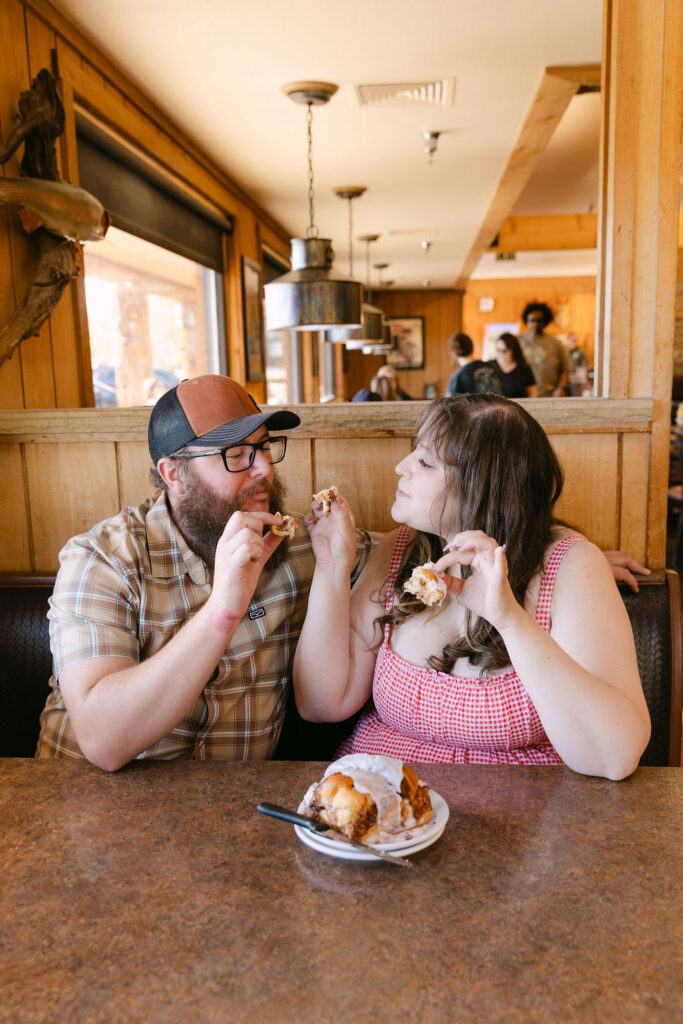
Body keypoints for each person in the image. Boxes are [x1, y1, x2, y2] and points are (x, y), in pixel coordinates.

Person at [293, 394, 651, 779]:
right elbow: (321, 704)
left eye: (426, 461)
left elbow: (614, 757)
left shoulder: (570, 566)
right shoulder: (400, 549)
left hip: (514, 820)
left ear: (484, 486)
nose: (402, 466)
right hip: (380, 808)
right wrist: (333, 567)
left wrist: (509, 618)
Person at [35, 374, 373, 770]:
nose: (263, 468)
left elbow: (398, 549)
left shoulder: (301, 545)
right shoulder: (104, 559)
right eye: (236, 454)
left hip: (234, 812)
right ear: (174, 475)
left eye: (264, 447)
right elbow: (103, 740)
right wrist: (223, 609)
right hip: (84, 803)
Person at [519, 302, 569, 397]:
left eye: (539, 320)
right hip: (523, 396)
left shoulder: (556, 343)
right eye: (532, 320)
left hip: (548, 396)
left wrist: (561, 388)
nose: (535, 324)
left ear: (545, 321)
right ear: (526, 320)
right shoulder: (518, 341)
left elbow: (565, 370)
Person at [494, 332, 537, 398]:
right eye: (498, 350)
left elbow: (533, 393)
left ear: (513, 350)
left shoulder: (524, 369)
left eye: (505, 351)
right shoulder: (491, 367)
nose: (501, 354)